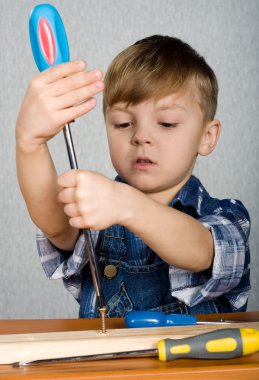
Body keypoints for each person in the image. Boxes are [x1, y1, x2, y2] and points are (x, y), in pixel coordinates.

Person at [16, 35, 250, 318]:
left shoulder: (227, 216)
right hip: (108, 363)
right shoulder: (98, 210)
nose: (141, 137)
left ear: (207, 136)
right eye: (123, 123)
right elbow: (55, 225)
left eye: (166, 123)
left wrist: (127, 205)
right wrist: (30, 143)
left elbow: (200, 251)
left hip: (193, 362)